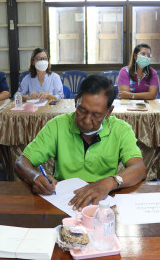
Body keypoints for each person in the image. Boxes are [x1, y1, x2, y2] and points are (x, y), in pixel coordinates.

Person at [15, 75, 147, 211]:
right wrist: (35, 177)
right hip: (63, 203)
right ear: (76, 101)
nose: (87, 121)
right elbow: (21, 162)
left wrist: (110, 182)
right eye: (82, 111)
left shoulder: (121, 130)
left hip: (103, 205)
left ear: (109, 112)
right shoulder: (57, 126)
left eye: (96, 115)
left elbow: (139, 168)